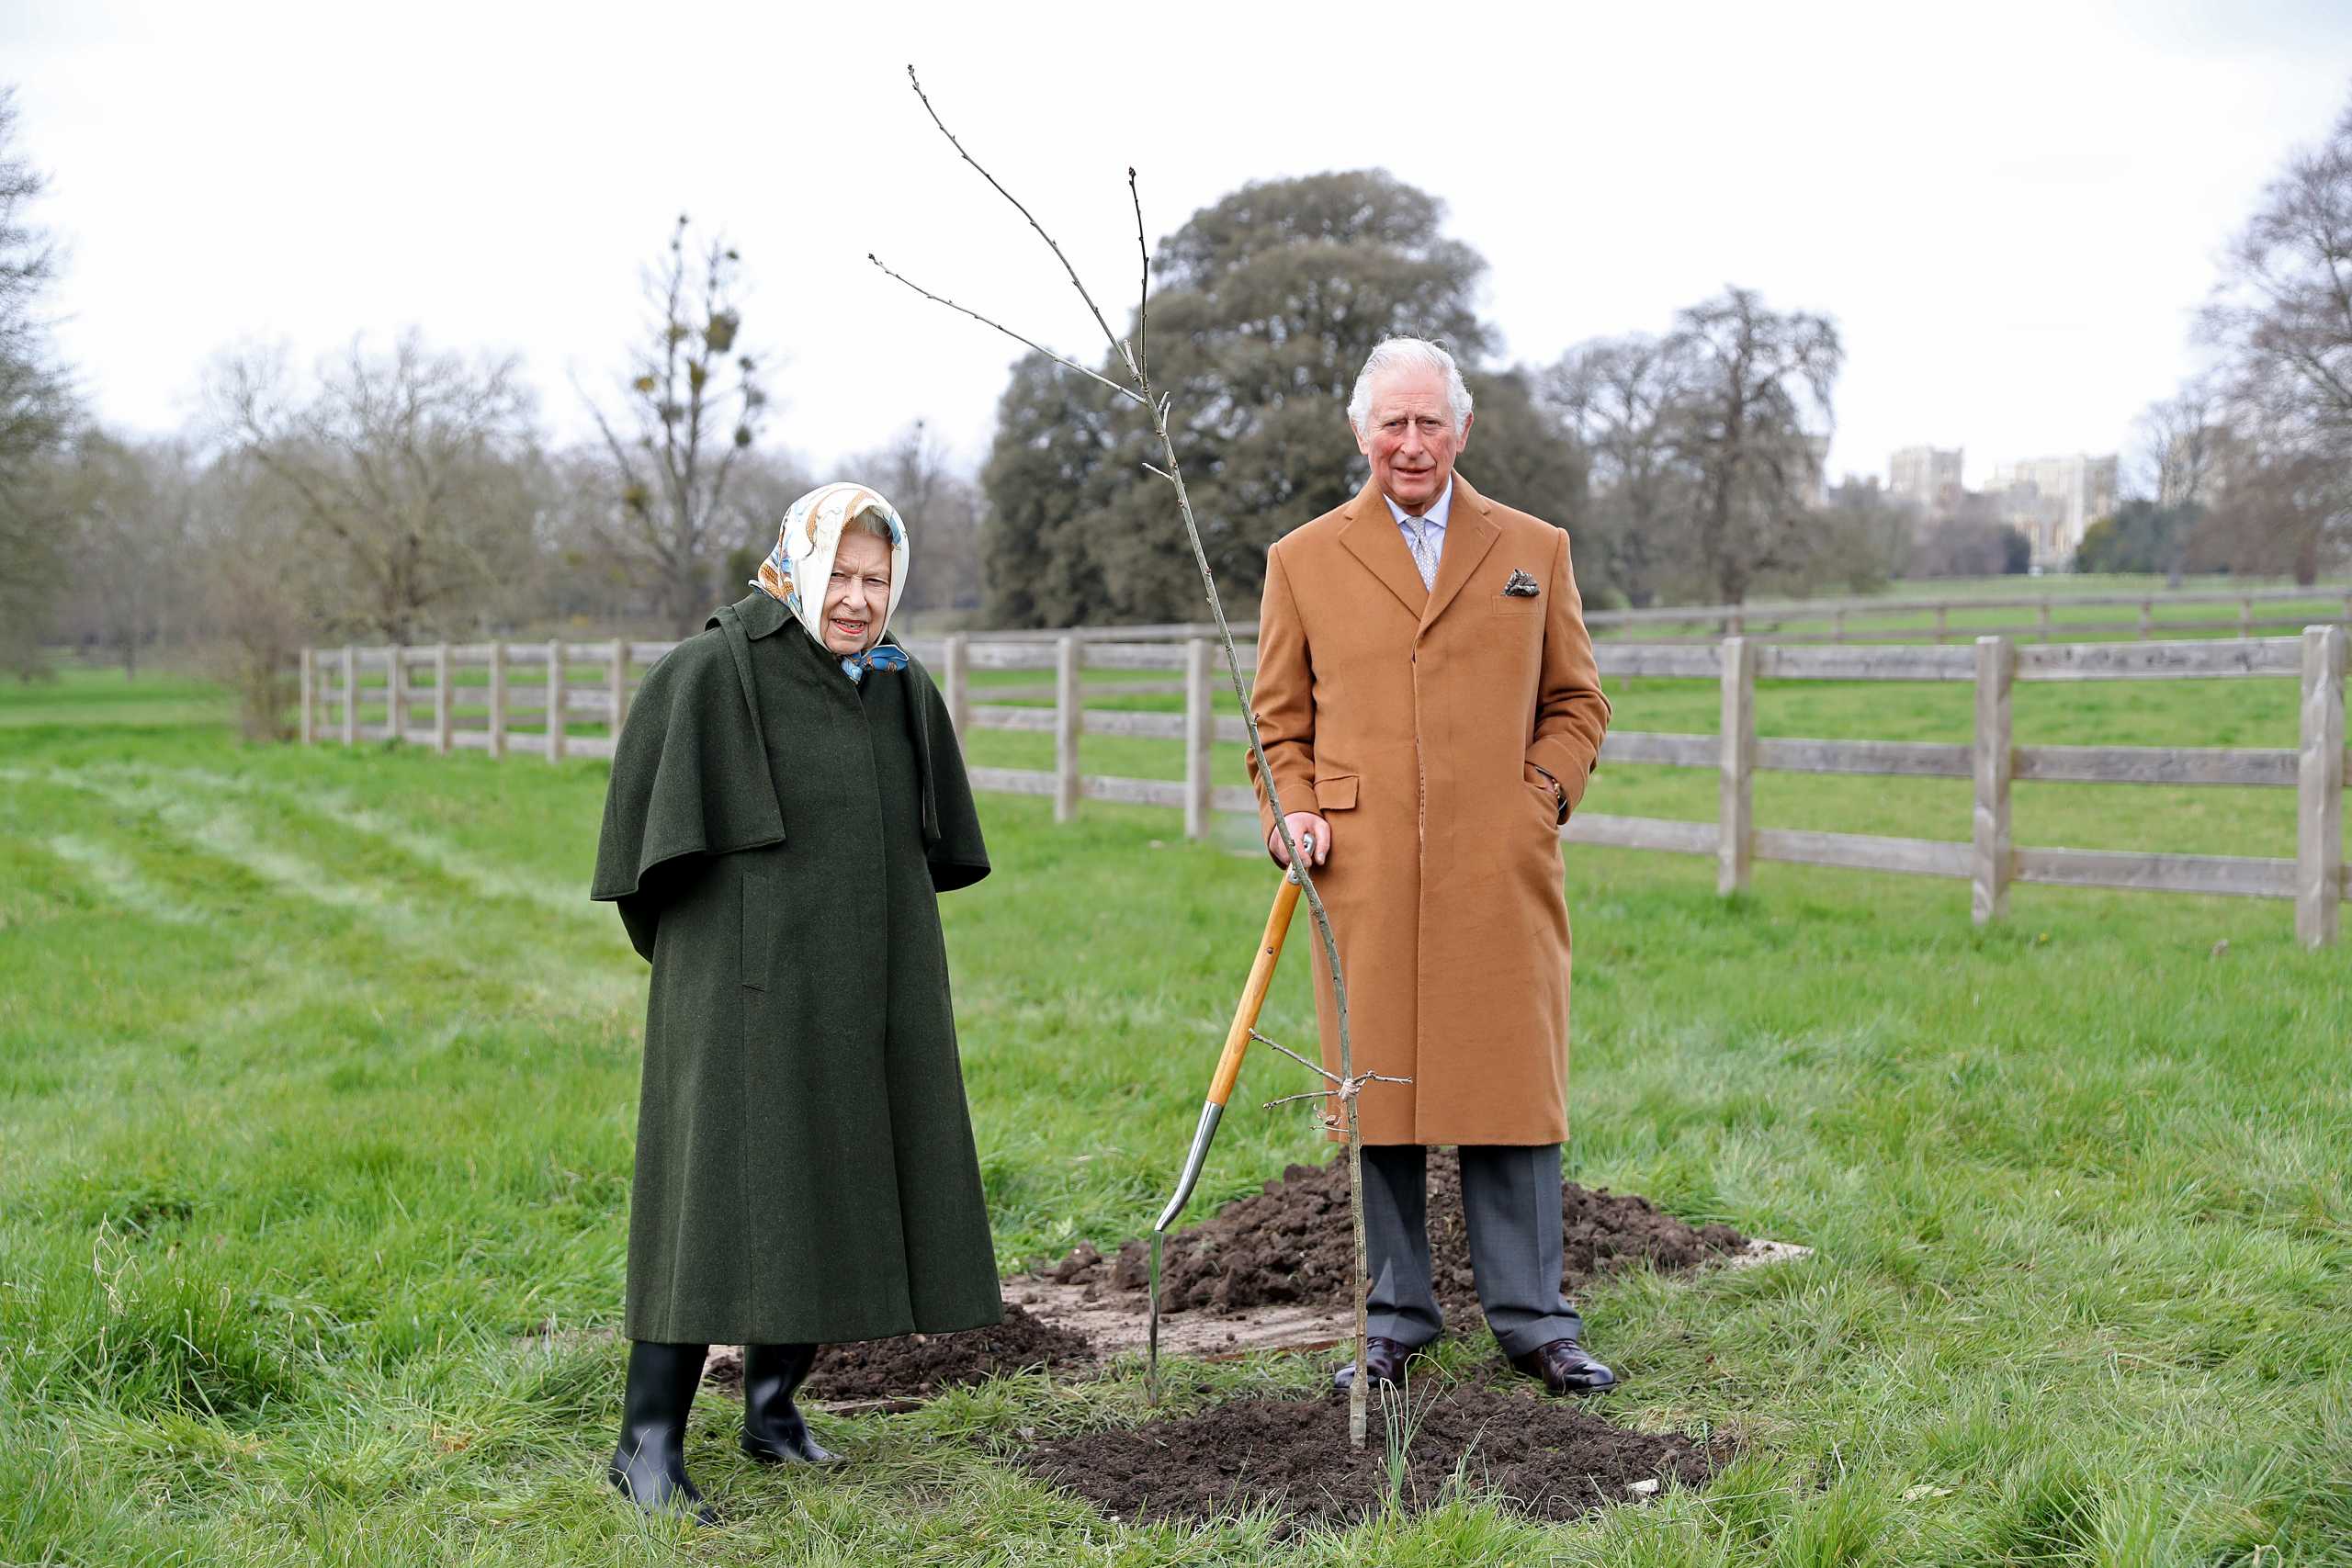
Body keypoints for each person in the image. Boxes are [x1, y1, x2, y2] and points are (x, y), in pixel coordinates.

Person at [590, 482, 999, 1520]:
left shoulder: (896, 687)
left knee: (833, 1173)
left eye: (877, 580)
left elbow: (931, 840)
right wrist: (719, 969)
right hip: (741, 987)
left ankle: (773, 1411)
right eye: (843, 576)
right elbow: (646, 867)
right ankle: (646, 1443)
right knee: (712, 1194)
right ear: (799, 564)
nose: (858, 600)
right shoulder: (709, 674)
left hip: (868, 980)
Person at [1247, 338, 1616, 1396]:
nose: (1411, 444)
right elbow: (1276, 726)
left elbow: (1577, 702)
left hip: (1497, 867)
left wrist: (1536, 797)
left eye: (1429, 423)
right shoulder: (1303, 559)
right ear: (1361, 434)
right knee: (1381, 1093)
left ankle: (1535, 1321)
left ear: (1463, 430)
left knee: (1509, 1087)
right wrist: (1298, 815)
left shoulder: (1531, 549)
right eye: (1391, 425)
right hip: (1360, 871)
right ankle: (1393, 1320)